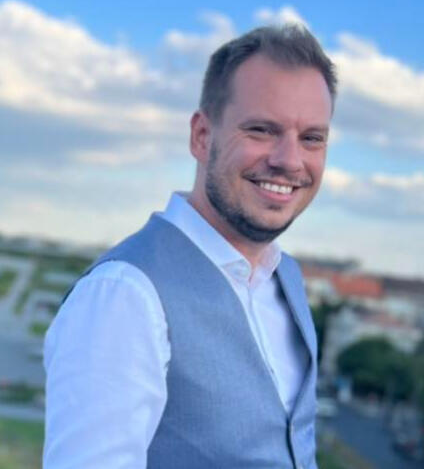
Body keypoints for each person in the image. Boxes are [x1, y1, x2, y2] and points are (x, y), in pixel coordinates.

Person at [43, 24, 337, 469]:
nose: (289, 160)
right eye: (261, 130)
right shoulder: (125, 294)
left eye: (311, 138)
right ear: (202, 136)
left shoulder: (287, 278)